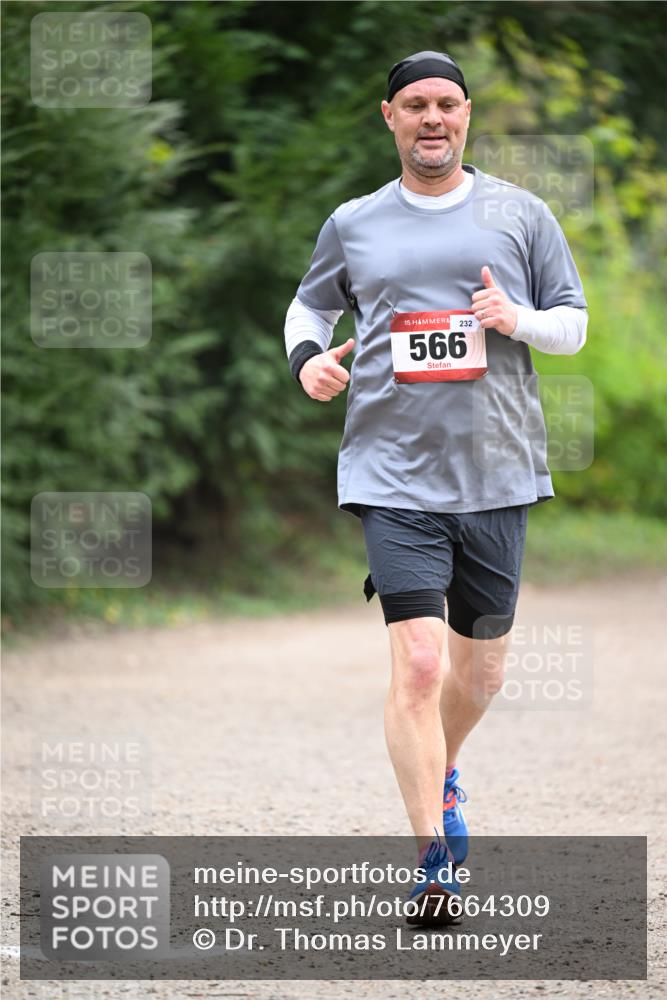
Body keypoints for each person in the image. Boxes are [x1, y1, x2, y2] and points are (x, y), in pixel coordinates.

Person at [284, 50, 587, 922]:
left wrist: (514, 319)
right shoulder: (354, 223)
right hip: (390, 471)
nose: (431, 118)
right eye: (414, 104)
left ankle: (441, 769)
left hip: (496, 469)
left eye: (445, 104)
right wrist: (307, 360)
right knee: (419, 662)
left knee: (478, 674)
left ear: (465, 114)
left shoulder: (520, 214)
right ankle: (431, 863)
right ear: (389, 116)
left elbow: (572, 323)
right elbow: (310, 307)